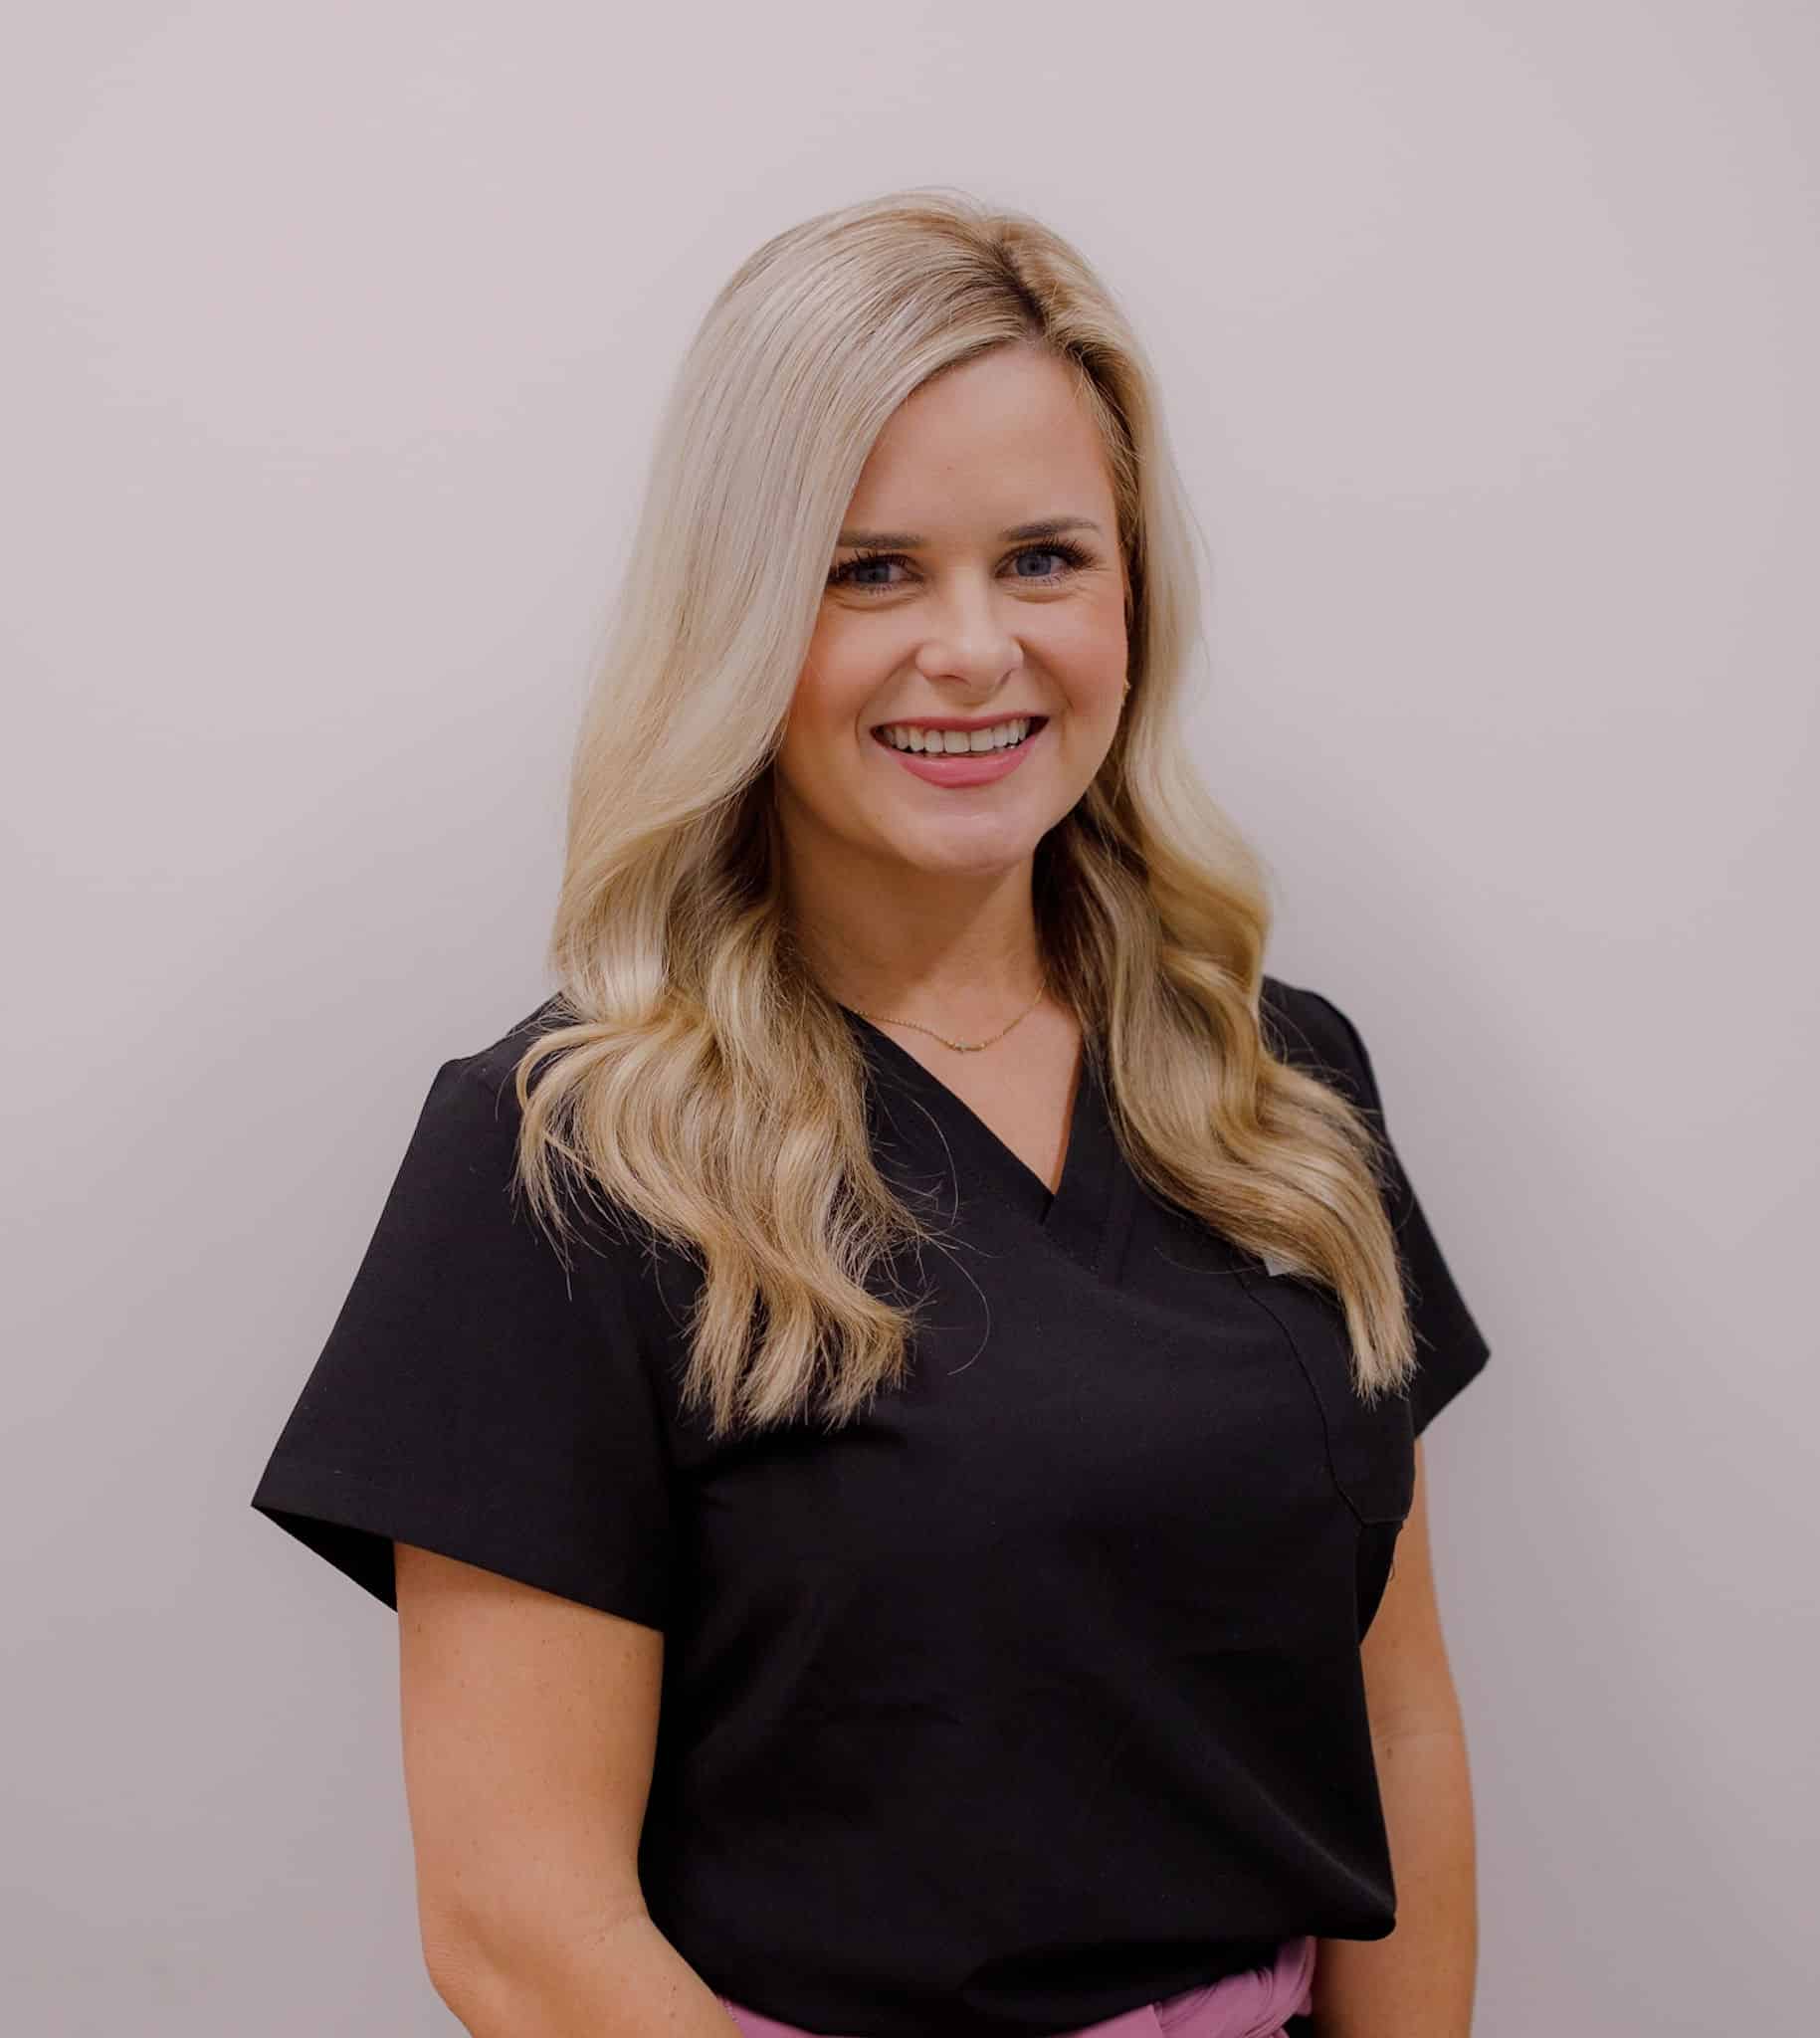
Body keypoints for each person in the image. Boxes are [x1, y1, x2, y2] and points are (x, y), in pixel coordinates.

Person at [251, 185, 1493, 2038]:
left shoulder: (1276, 1092)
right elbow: (522, 1928)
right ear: (744, 610)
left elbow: (1387, 1720)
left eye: (1046, 558)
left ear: (1134, 590)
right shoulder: (572, 1162)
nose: (975, 649)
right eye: (872, 570)